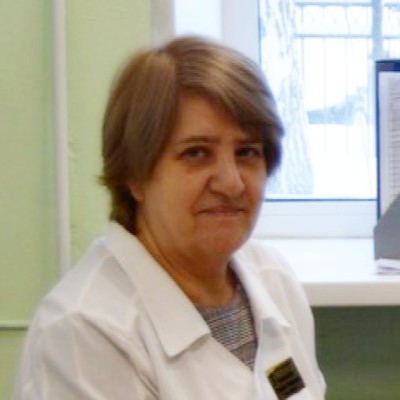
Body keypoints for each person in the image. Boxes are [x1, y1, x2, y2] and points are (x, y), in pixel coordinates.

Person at [14, 35, 325, 399]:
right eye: (197, 153)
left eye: (247, 152)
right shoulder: (82, 332)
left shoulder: (273, 278)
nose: (231, 182)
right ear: (134, 173)